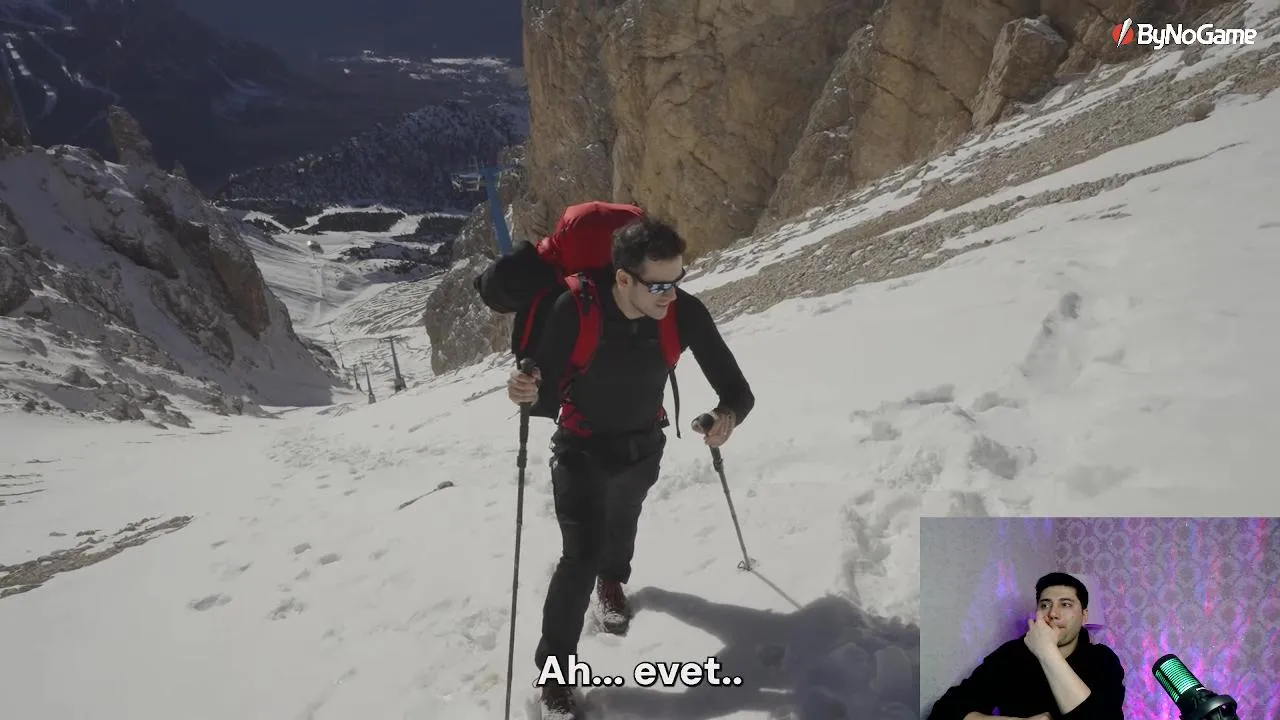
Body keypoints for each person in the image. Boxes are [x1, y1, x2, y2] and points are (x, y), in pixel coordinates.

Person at [505, 214, 755, 718]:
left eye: (677, 280)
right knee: (580, 557)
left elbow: (737, 390)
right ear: (623, 278)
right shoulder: (575, 308)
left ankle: (613, 581)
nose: (671, 294)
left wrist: (726, 417)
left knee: (623, 523)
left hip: (643, 446)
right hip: (580, 449)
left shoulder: (683, 311)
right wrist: (524, 388)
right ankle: (555, 676)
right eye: (659, 284)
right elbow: (540, 386)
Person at [926, 572, 1126, 720]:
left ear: (1084, 616)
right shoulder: (1011, 655)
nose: (1052, 613)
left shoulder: (1103, 659)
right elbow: (944, 711)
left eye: (1065, 604)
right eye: (1045, 605)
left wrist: (1046, 651)